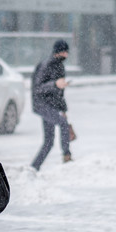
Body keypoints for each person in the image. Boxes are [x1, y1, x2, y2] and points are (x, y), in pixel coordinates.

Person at [30, 40, 72, 171]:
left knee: (48, 142)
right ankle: (67, 156)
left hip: (51, 105)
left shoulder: (59, 66)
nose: (66, 55)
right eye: (64, 52)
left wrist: (63, 109)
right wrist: (54, 84)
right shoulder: (46, 65)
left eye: (67, 52)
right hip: (42, 104)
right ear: (57, 52)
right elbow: (38, 88)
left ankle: (34, 167)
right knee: (63, 124)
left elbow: (59, 93)